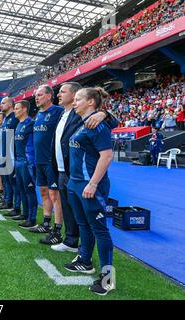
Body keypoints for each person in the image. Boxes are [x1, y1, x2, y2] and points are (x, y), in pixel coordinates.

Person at [52, 82, 119, 253]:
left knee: (94, 224)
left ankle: (101, 270)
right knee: (73, 213)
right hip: (65, 171)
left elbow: (107, 151)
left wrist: (103, 113)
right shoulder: (61, 114)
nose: (58, 94)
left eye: (62, 92)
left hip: (81, 175)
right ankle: (74, 245)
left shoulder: (87, 116)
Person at [64, 87, 115, 296]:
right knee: (83, 224)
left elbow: (107, 156)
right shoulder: (82, 123)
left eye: (78, 99)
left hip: (90, 185)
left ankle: (108, 278)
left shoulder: (97, 124)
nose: (74, 103)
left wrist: (93, 184)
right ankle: (85, 260)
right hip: (75, 184)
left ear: (91, 102)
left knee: (100, 230)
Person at [29, 85, 64, 246]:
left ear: (50, 96)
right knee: (43, 192)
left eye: (40, 95)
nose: (37, 98)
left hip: (52, 162)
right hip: (39, 161)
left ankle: (57, 230)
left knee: (55, 195)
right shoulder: (38, 115)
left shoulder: (58, 111)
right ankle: (46, 223)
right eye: (36, 95)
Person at [12, 100, 38, 228]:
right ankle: (25, 213)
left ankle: (32, 218)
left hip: (27, 163)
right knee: (21, 189)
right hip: (18, 161)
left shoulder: (31, 124)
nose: (14, 111)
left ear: (24, 109)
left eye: (17, 108)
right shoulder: (18, 124)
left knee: (29, 190)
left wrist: (30, 163)